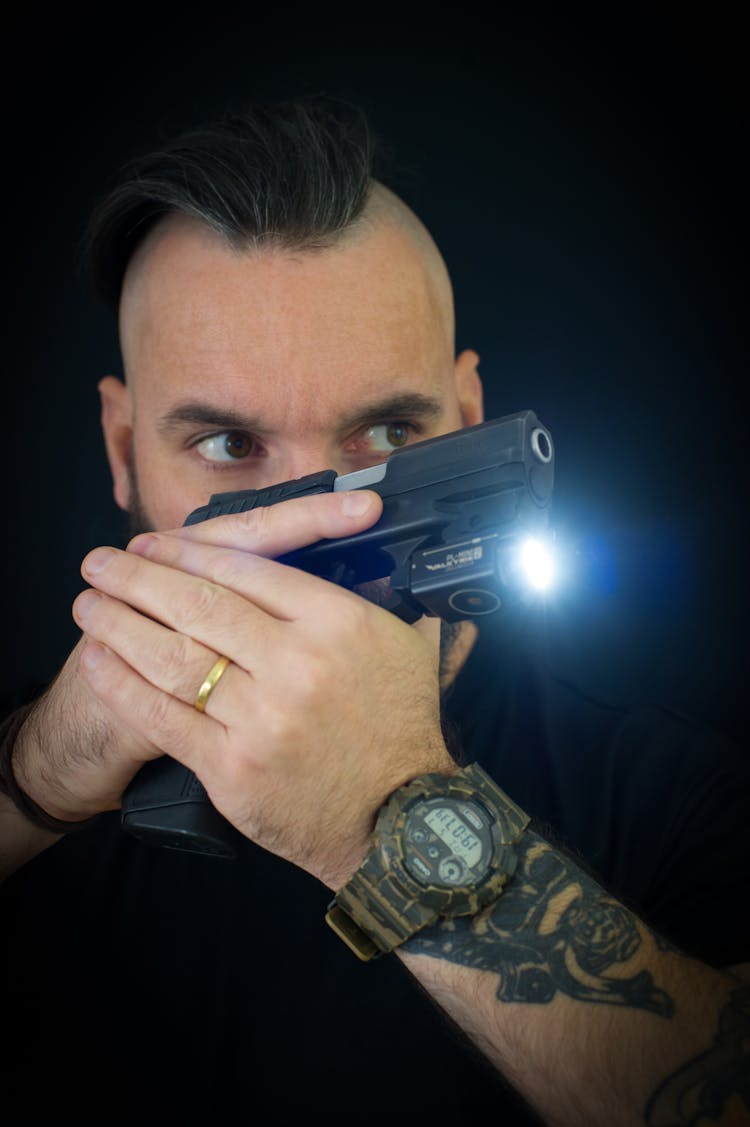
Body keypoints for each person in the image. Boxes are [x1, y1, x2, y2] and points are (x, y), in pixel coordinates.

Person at [1, 98, 748, 1126]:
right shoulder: (46, 769)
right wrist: (33, 783)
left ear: (469, 417)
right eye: (227, 446)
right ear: (124, 448)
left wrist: (393, 813)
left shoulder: (670, 792)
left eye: (386, 431)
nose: (311, 525)